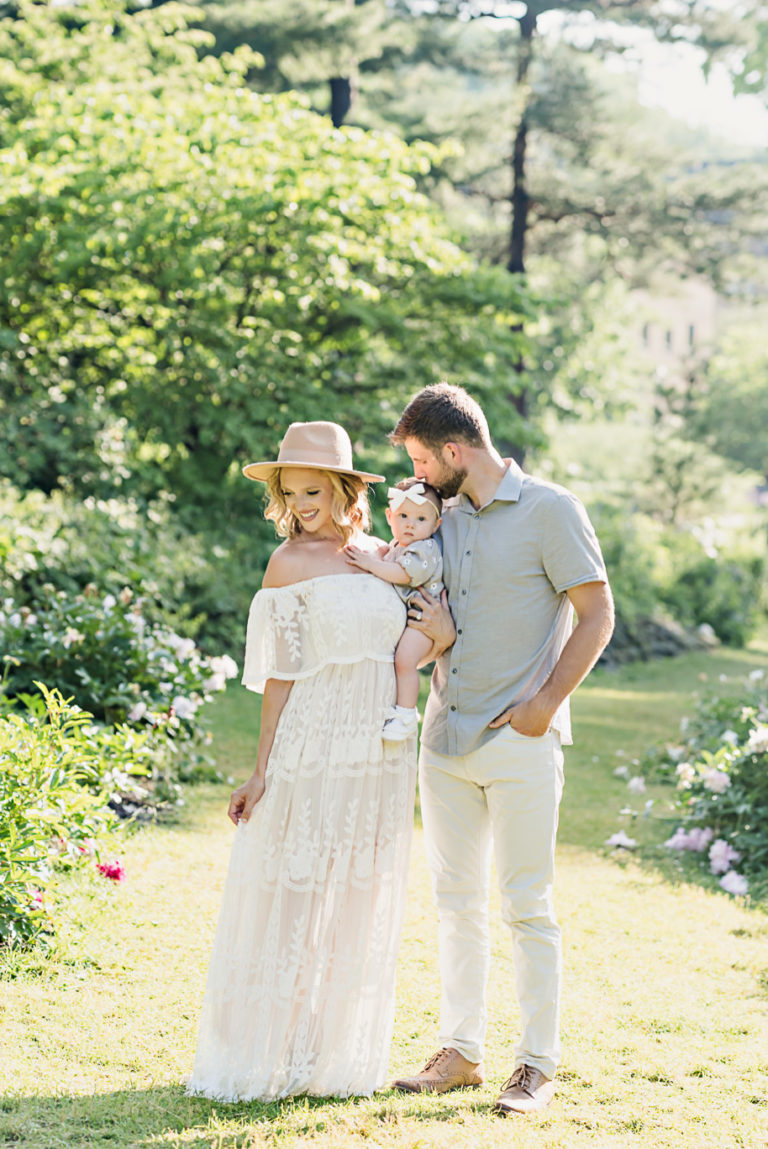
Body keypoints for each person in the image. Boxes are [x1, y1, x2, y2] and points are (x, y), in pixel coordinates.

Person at [387, 383, 614, 1116]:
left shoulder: (551, 509)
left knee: (526, 904)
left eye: (424, 459)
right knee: (455, 902)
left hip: (519, 739)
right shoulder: (440, 517)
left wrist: (544, 705)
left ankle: (536, 1064)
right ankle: (461, 1050)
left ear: (455, 450)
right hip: (444, 738)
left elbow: (596, 612)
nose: (419, 476)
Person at [187, 421, 417, 1101]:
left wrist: (436, 638)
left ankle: (328, 1054)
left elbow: (414, 642)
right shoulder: (286, 563)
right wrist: (261, 769)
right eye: (292, 493)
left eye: (313, 490)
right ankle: (267, 1047)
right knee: (294, 888)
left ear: (345, 488)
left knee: (358, 891)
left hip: (377, 750)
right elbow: (281, 675)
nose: (302, 505)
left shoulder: (386, 554)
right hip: (313, 740)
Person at [344, 477, 443, 742]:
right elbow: (388, 558)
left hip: (424, 620)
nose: (410, 524)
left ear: (436, 524)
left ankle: (406, 715)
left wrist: (369, 563)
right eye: (404, 515)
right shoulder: (399, 545)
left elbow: (400, 573)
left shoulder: (426, 549)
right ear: (390, 516)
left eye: (421, 519)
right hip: (411, 618)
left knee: (405, 660)